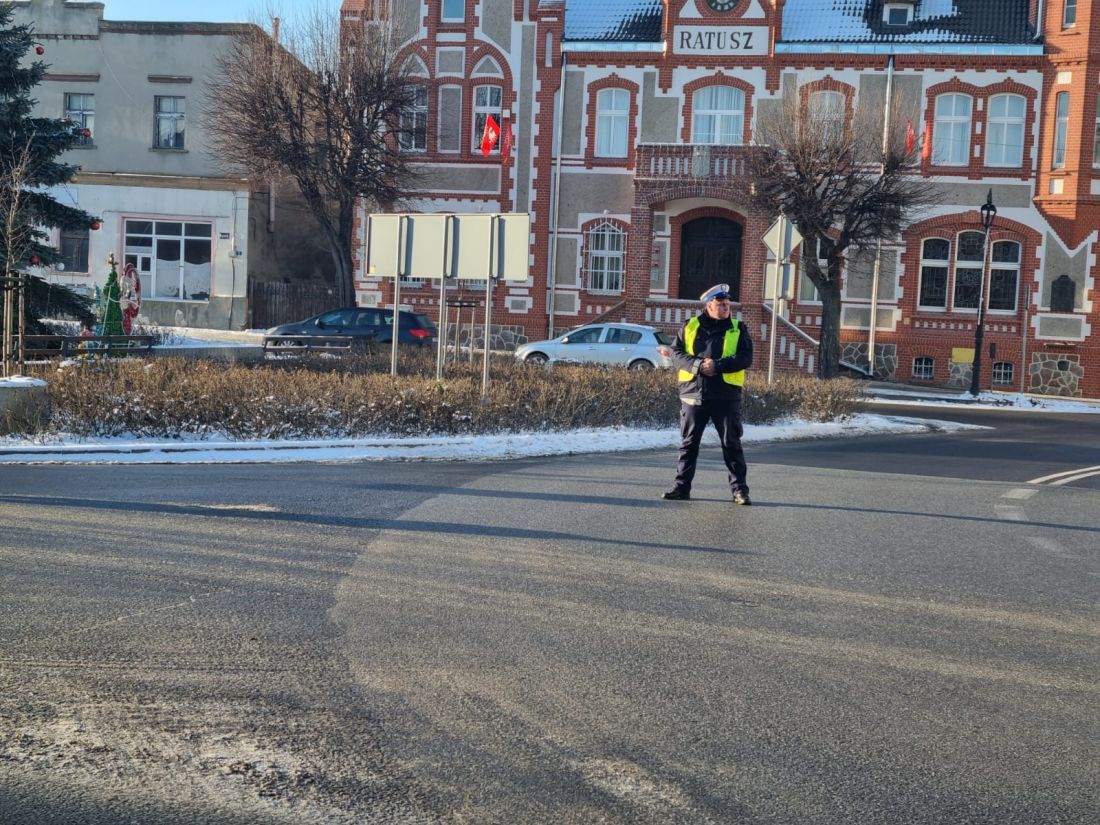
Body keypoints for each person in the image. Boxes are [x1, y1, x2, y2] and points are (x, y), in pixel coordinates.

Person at [662, 282, 754, 505]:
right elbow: (676, 354)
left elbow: (745, 357)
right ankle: (681, 488)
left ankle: (740, 491)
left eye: (727, 303)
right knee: (688, 444)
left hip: (725, 395)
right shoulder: (690, 326)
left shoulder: (738, 328)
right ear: (709, 305)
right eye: (720, 303)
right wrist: (699, 365)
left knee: (731, 444)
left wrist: (718, 366)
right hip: (694, 394)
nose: (725, 307)